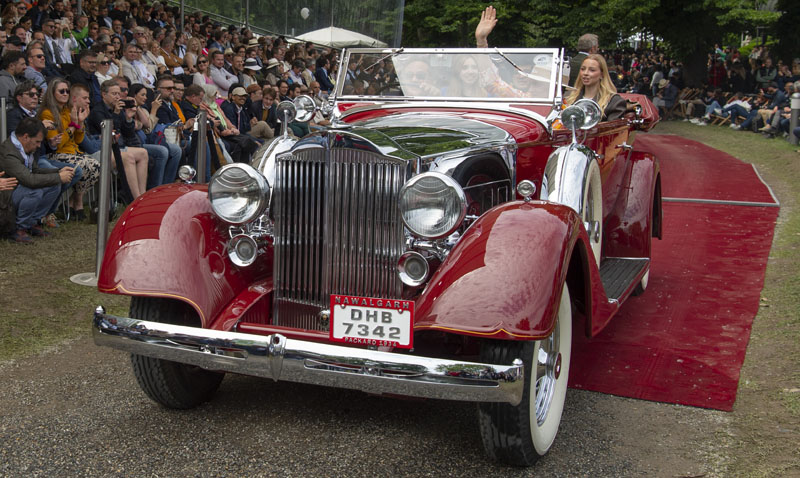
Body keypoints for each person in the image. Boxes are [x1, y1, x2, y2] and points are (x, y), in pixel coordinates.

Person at [0, 117, 73, 243]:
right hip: (6, 198)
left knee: (54, 185)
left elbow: (35, 170)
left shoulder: (23, 147)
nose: (39, 146)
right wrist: (58, 177)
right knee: (35, 191)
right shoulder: (8, 152)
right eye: (37, 142)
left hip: (17, 191)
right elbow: (29, 180)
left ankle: (31, 223)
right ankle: (18, 228)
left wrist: (57, 172)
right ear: (25, 137)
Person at [38, 78, 100, 221]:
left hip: (71, 153)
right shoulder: (47, 113)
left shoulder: (67, 110)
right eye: (61, 91)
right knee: (91, 164)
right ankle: (75, 204)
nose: (65, 94)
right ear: (52, 93)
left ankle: (74, 202)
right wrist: (73, 124)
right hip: (55, 154)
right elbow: (57, 144)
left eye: (67, 91)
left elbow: (78, 140)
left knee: (95, 167)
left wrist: (81, 121)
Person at [86, 79, 150, 199]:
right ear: (104, 95)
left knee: (143, 153)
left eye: (118, 94)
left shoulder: (118, 107)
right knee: (128, 157)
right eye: (114, 94)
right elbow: (109, 131)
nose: (117, 97)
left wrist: (129, 118)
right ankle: (135, 199)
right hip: (103, 148)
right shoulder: (97, 111)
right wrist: (116, 113)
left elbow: (128, 133)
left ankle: (142, 195)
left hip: (119, 146)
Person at [565, 53, 627, 121]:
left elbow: (612, 130)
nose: (585, 73)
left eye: (592, 70)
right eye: (583, 69)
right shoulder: (569, 98)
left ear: (602, 74)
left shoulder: (614, 102)